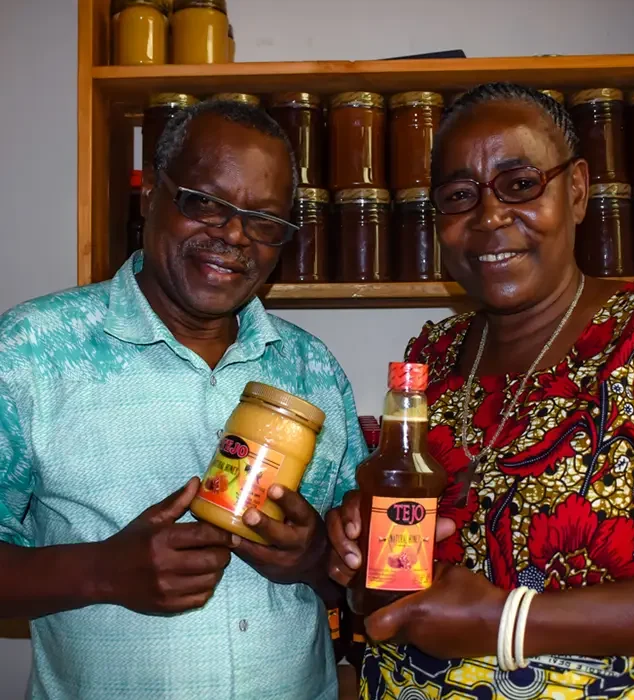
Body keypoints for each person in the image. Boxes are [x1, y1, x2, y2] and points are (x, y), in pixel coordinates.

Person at [328, 82, 634, 699]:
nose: (490, 216)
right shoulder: (434, 356)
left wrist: (507, 621)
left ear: (576, 190)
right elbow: (405, 562)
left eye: (521, 184)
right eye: (459, 196)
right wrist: (365, 541)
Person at [0, 100, 366, 700]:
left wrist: (312, 557)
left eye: (264, 219)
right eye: (205, 202)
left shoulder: (312, 368)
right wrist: (102, 573)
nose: (233, 235)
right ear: (150, 197)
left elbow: (356, 573)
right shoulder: (32, 351)